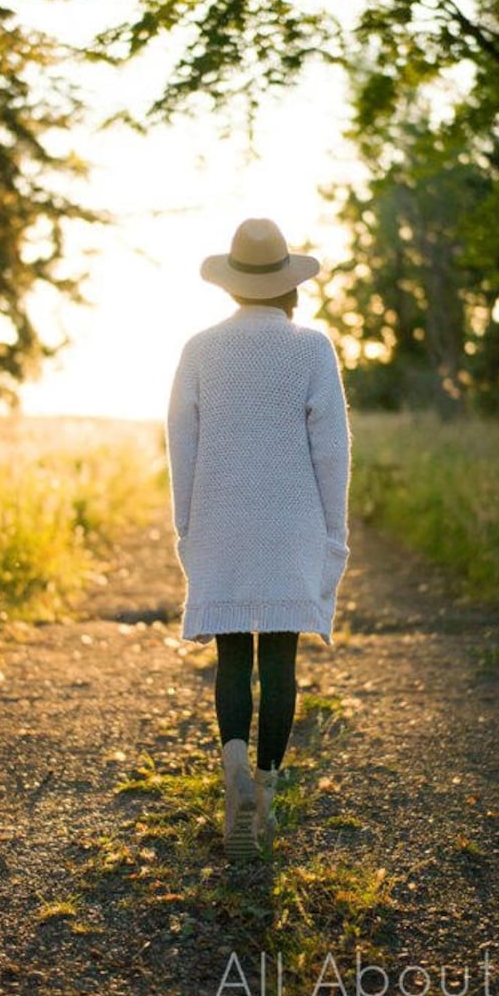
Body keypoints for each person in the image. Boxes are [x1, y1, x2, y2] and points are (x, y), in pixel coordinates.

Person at [166, 217, 351, 859]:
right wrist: (335, 532)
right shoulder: (312, 348)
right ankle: (265, 795)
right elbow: (332, 451)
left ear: (234, 287)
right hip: (291, 524)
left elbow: (180, 446)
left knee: (231, 660)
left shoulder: (199, 349)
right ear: (288, 286)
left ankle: (234, 771)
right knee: (279, 662)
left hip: (221, 521)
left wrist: (188, 527)